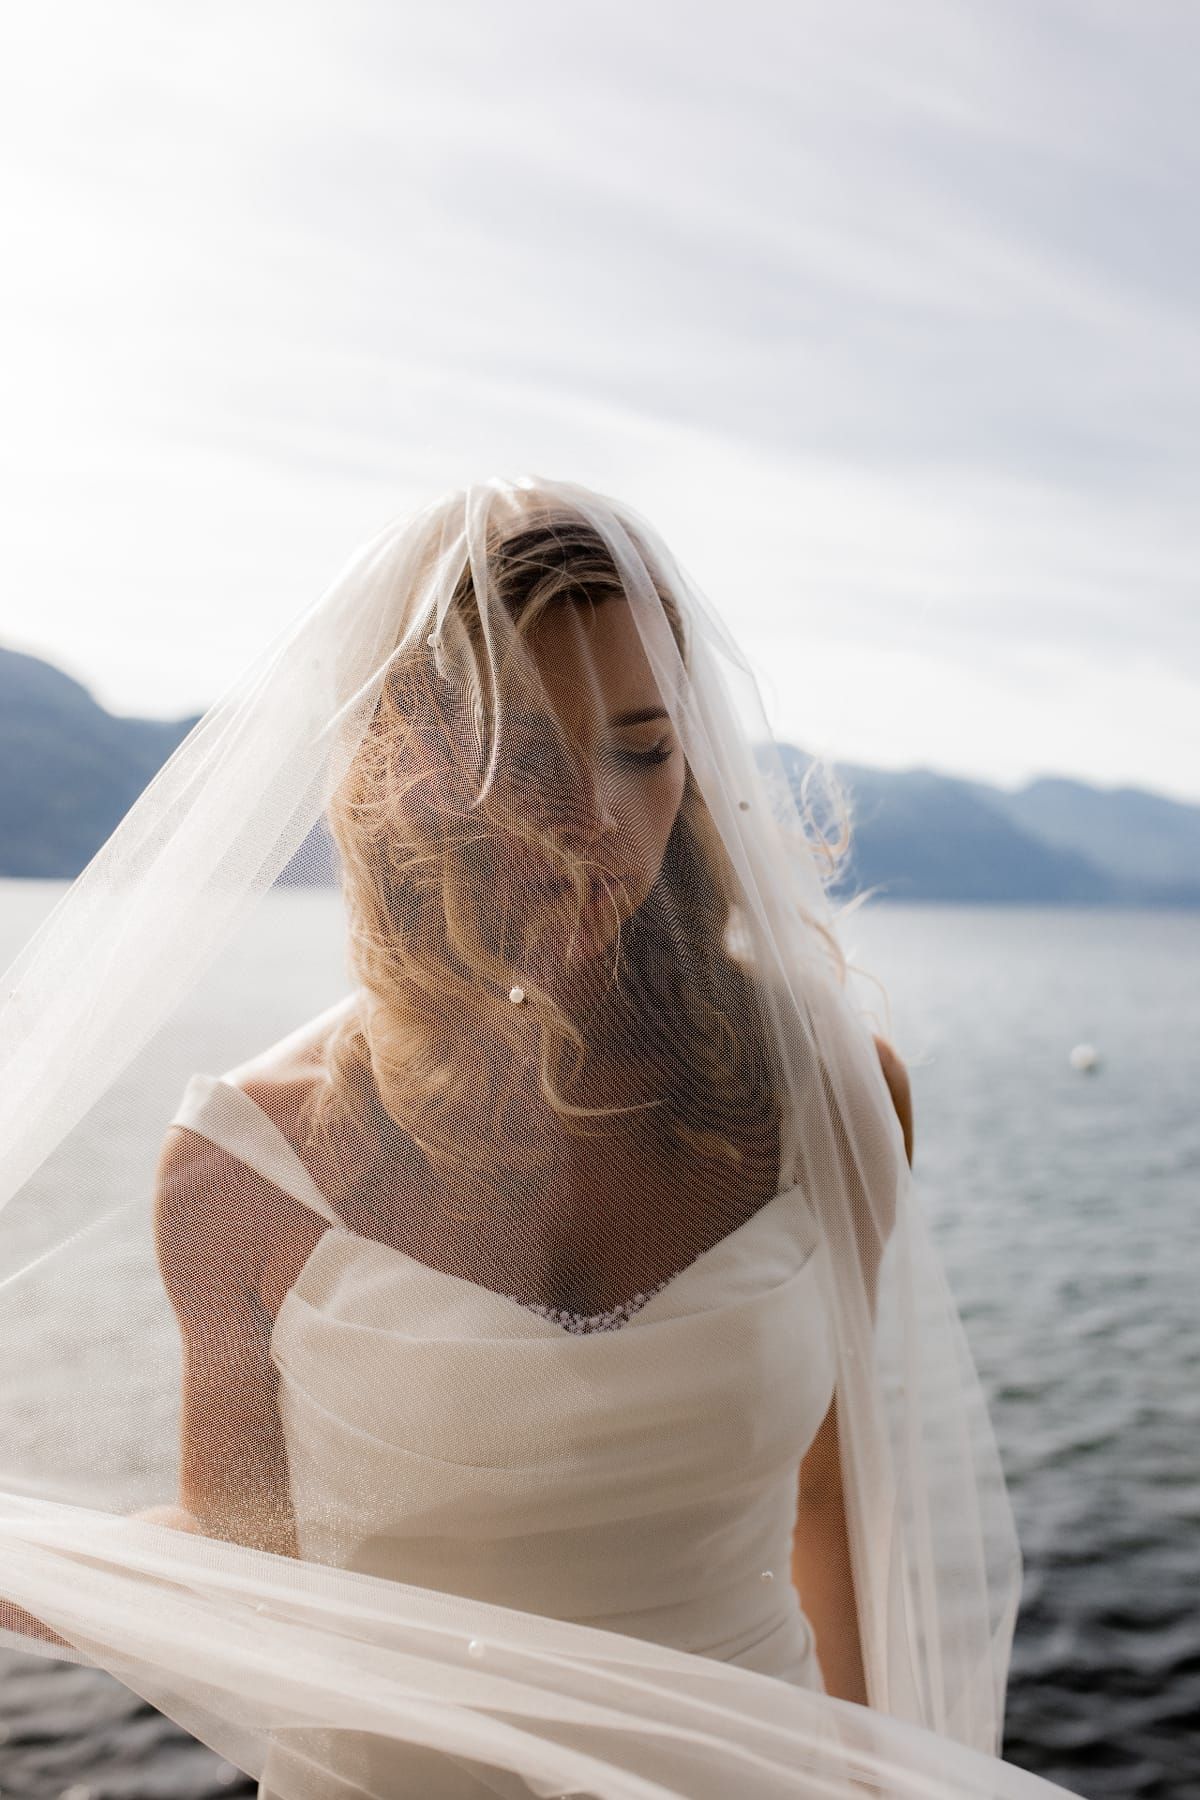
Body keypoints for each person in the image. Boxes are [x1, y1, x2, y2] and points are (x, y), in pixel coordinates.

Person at [0, 477, 1053, 1800]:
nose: (597, 820)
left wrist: (881, 1774)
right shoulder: (244, 1170)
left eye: (642, 748)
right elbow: (243, 1566)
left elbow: (835, 1504)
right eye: (529, 756)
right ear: (406, 771)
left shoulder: (836, 1103)